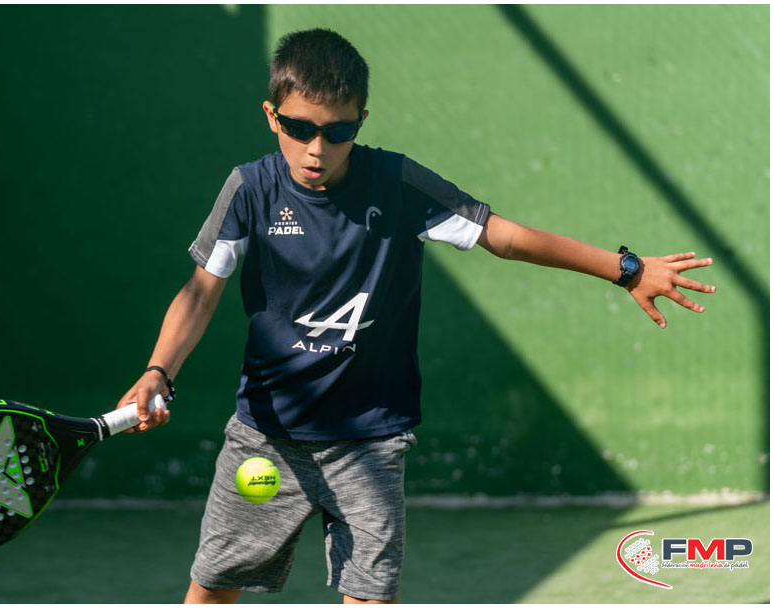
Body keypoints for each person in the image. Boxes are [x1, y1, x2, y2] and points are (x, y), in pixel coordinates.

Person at [115, 28, 715, 604]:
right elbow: (201, 292)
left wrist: (625, 268)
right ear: (272, 116)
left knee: (372, 598)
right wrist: (158, 371)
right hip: (266, 436)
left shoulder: (397, 183)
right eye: (299, 128)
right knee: (212, 590)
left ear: (360, 121)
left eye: (337, 131)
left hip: (370, 441)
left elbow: (503, 237)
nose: (316, 149)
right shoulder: (250, 189)